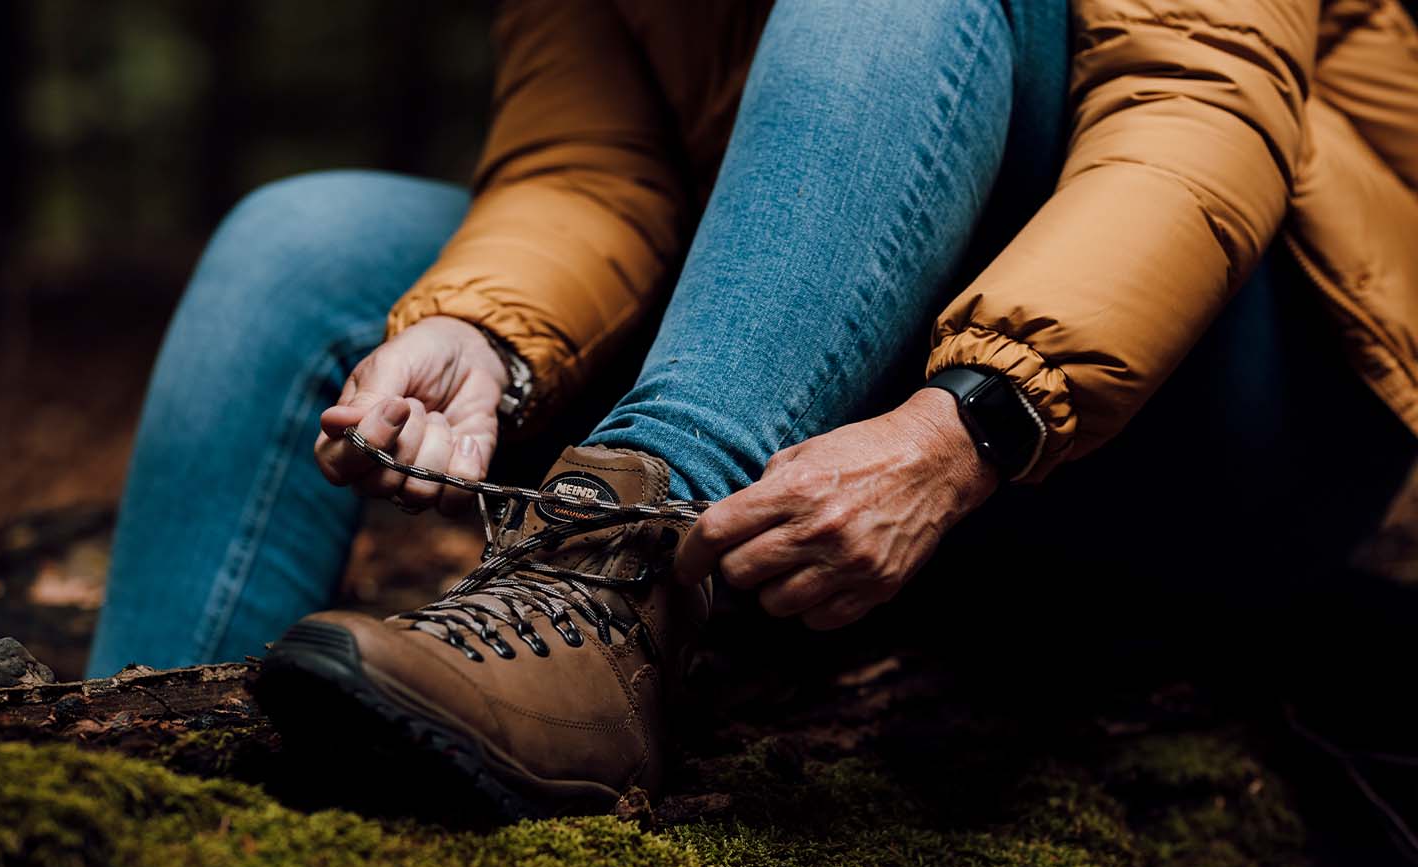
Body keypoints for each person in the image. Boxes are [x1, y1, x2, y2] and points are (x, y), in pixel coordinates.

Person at [90, 0, 1418, 818]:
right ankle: (124, 783)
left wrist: (976, 415)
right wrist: (484, 332)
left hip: (1227, 414)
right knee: (306, 243)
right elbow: (592, 170)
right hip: (838, 368)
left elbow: (1196, 113)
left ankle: (604, 587)